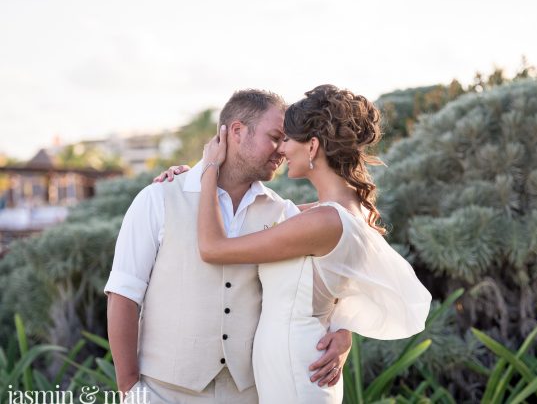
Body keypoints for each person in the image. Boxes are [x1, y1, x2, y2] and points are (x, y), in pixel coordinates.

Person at [104, 89, 352, 404]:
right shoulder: (157, 199)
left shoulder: (282, 211)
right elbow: (124, 295)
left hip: (249, 394)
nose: (282, 149)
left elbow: (331, 271)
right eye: (275, 136)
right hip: (163, 393)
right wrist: (130, 390)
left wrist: (344, 331)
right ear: (236, 131)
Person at [194, 84, 432, 403]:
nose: (282, 149)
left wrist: (208, 168)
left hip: (294, 369)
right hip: (292, 361)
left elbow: (213, 248)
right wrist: (342, 330)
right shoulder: (342, 211)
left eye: (288, 139)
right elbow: (332, 282)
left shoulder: (322, 222)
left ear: (313, 146)